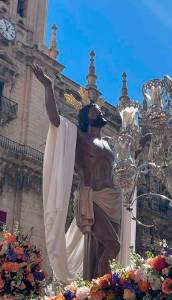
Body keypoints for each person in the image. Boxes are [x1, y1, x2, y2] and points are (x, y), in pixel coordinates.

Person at [33, 63, 122, 281]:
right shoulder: (79, 138)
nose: (98, 110)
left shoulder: (109, 144)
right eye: (93, 110)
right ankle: (102, 290)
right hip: (91, 197)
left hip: (113, 200)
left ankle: (96, 286)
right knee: (112, 244)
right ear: (85, 117)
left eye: (99, 109)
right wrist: (48, 86)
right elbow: (55, 119)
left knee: (102, 250)